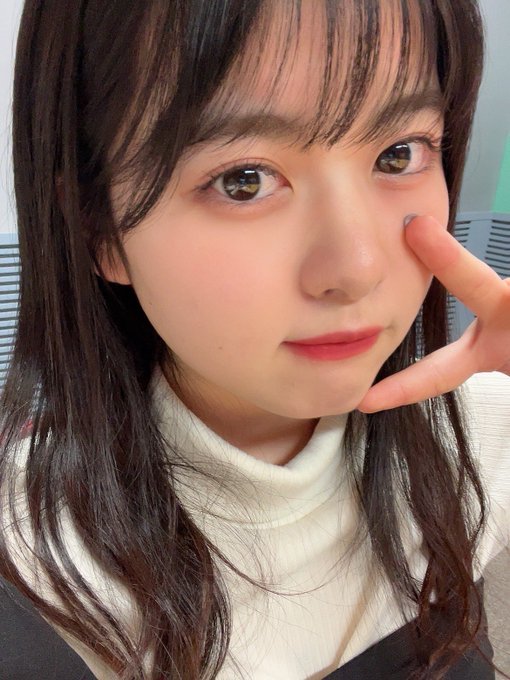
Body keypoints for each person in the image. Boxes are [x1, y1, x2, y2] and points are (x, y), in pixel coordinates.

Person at [0, 0, 509, 678]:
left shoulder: (479, 432)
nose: (356, 269)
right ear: (100, 229)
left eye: (398, 154)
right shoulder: (34, 558)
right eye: (244, 181)